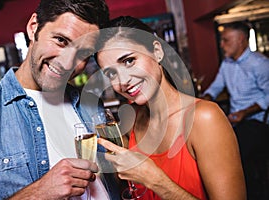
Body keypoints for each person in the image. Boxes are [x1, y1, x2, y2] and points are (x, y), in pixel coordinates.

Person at [0, 0, 117, 199]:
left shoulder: (90, 103)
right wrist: (39, 192)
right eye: (61, 41)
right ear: (33, 28)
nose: (66, 62)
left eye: (82, 53)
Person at [95, 16, 246, 200]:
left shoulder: (204, 118)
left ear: (157, 51)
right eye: (111, 73)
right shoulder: (132, 117)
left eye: (129, 61)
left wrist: (155, 180)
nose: (123, 81)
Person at [202, 21, 269, 199]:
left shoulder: (259, 63)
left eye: (226, 40)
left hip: (257, 121)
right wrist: (204, 100)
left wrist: (245, 112)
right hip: (235, 120)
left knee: (235, 155)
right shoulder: (227, 64)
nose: (221, 44)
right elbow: (215, 87)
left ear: (240, 40)